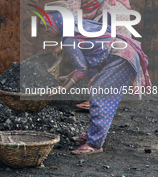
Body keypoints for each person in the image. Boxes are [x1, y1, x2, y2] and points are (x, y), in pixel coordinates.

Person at [43, 11, 151, 155]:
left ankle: (94, 144)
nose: (45, 30)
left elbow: (82, 70)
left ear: (58, 24)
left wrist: (62, 89)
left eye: (47, 27)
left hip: (121, 56)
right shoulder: (74, 32)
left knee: (100, 95)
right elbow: (86, 63)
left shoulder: (69, 39)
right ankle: (93, 135)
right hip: (123, 52)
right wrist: (68, 77)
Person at [42, 0, 132, 110]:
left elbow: (74, 21)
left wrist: (62, 44)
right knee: (102, 52)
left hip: (111, 12)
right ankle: (99, 98)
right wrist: (69, 76)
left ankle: (97, 101)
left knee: (103, 53)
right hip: (114, 8)